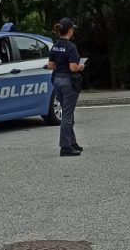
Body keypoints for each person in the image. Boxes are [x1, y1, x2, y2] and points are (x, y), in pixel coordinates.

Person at [46, 17, 85, 156]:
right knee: (67, 115)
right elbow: (73, 67)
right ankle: (65, 147)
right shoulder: (71, 47)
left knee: (68, 113)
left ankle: (72, 142)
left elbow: (51, 66)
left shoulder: (55, 46)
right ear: (70, 31)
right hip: (69, 81)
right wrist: (81, 66)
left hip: (57, 80)